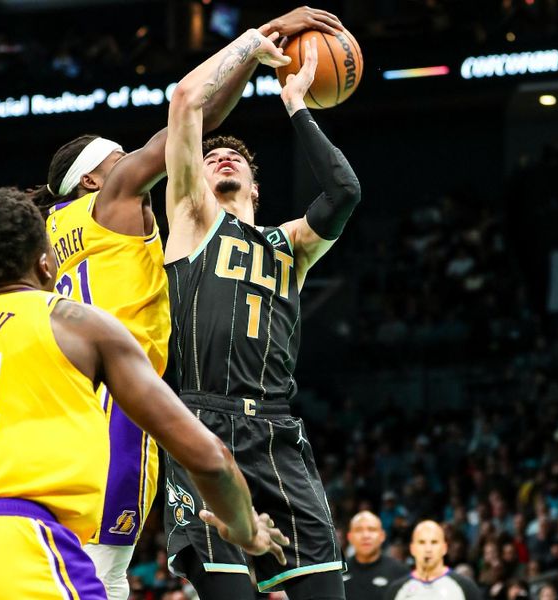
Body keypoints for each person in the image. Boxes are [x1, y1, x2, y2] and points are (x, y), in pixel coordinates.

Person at [29, 7, 344, 600]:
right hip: (127, 403)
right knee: (105, 574)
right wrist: (256, 43)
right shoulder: (117, 202)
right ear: (96, 180)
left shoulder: (50, 237)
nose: (136, 165)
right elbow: (191, 110)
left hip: (67, 404)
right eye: (119, 159)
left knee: (90, 572)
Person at [0, 188, 288, 600]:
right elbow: (209, 457)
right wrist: (246, 527)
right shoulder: (76, 323)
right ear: (44, 264)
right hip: (24, 551)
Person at [163, 18, 361, 599]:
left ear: (256, 188)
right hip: (199, 423)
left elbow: (344, 193)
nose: (222, 158)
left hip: (275, 431)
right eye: (212, 155)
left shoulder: (291, 247)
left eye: (236, 159)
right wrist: (255, 43)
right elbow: (184, 100)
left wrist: (298, 105)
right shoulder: (192, 218)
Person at [385, 520, 482, 600]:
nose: (428, 549)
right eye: (422, 542)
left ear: (444, 548)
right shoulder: (396, 590)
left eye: (434, 542)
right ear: (412, 549)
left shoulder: (466, 587)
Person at [342, 511, 408, 599]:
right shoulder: (339, 573)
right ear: (349, 537)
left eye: (371, 529)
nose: (365, 536)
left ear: (382, 536)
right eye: (359, 530)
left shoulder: (400, 571)